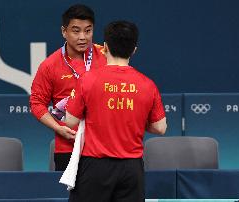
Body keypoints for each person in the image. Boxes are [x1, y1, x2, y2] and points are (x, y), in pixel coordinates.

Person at [65, 20, 167, 202]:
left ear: (104, 47)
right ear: (134, 50)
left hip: (94, 167)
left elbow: (70, 121)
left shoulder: (87, 80)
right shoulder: (148, 85)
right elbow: (160, 128)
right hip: (131, 170)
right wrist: (132, 120)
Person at [29, 4, 106, 171]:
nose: (83, 37)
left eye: (88, 30)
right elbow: (36, 103)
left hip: (104, 146)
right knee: (71, 198)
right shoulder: (49, 65)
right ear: (64, 31)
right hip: (68, 148)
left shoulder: (107, 56)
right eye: (76, 30)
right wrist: (58, 128)